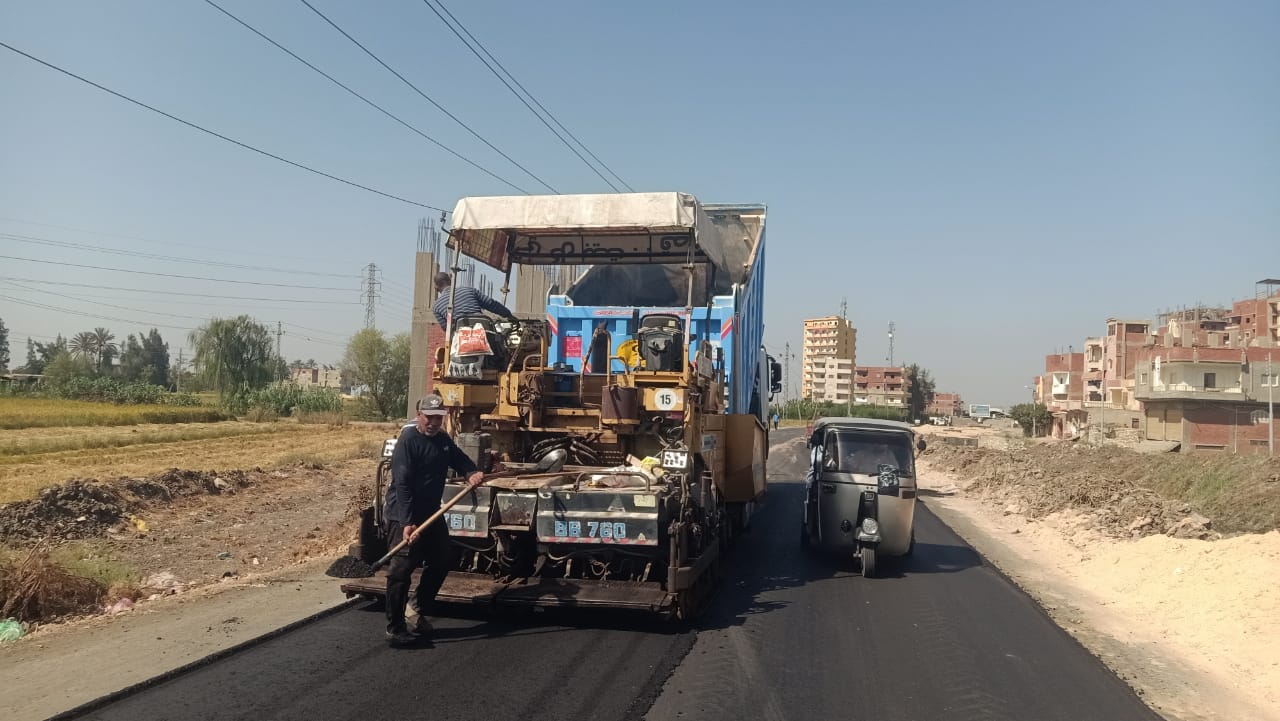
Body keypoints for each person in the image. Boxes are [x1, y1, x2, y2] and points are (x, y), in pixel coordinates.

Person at [383, 395, 485, 647]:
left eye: (438, 418)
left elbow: (459, 459)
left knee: (441, 559)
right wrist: (407, 522)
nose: (433, 422)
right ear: (419, 415)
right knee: (400, 571)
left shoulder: (442, 440)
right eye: (429, 417)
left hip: (431, 512)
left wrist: (471, 472)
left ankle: (415, 607)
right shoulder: (408, 441)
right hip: (403, 514)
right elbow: (403, 485)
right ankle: (395, 628)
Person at [432, 272, 517, 329]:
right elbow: (491, 304)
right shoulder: (469, 290)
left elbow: (446, 328)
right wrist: (508, 314)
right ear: (450, 281)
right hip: (484, 330)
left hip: (461, 338)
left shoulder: (437, 307)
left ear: (436, 288)